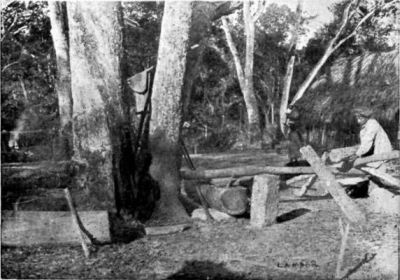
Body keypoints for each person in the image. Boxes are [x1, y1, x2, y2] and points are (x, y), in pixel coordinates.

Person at [347, 106, 393, 171]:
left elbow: (367, 142)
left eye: (360, 117)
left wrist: (357, 154)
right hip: (373, 152)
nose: (358, 120)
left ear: (366, 117)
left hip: (381, 152)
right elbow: (364, 144)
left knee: (376, 173)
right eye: (357, 117)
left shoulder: (372, 123)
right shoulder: (363, 128)